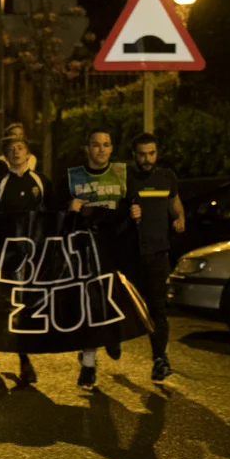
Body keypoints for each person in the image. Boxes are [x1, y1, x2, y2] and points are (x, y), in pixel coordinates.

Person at [0, 136, 54, 385]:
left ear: (28, 153)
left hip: (37, 254)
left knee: (33, 303)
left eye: (20, 148)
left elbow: (56, 213)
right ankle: (23, 359)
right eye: (11, 149)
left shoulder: (41, 181)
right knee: (13, 304)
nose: (16, 152)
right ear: (6, 156)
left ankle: (34, 348)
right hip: (10, 255)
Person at [60, 129, 128, 388]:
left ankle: (113, 335)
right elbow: (54, 210)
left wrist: (135, 211)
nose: (101, 149)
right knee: (90, 307)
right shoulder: (73, 177)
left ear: (112, 148)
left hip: (114, 250)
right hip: (84, 252)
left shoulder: (122, 174)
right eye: (96, 145)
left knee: (113, 301)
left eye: (106, 145)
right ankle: (88, 364)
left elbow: (131, 206)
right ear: (87, 148)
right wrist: (69, 209)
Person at [126, 133, 183, 382]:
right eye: (142, 154)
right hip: (131, 254)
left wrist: (180, 218)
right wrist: (127, 213)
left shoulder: (167, 176)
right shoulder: (125, 177)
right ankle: (103, 346)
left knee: (158, 308)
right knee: (125, 306)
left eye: (151, 153)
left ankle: (160, 359)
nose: (147, 159)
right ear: (134, 155)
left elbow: (175, 202)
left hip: (158, 253)